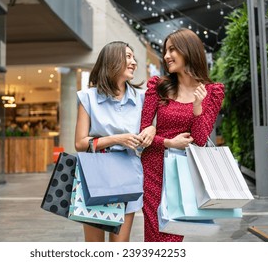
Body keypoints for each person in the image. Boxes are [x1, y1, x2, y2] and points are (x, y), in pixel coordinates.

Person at [139, 28, 225, 242]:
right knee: (154, 233)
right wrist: (168, 142)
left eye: (172, 49)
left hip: (184, 174)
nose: (166, 56)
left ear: (189, 51)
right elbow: (143, 135)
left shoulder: (212, 92)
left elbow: (200, 139)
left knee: (173, 235)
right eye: (165, 50)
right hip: (153, 170)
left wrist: (198, 108)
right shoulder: (158, 87)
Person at [75, 41, 156, 242]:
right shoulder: (88, 98)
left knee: (119, 246)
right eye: (128, 57)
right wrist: (118, 138)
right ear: (112, 61)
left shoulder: (143, 98)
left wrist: (152, 129)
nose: (134, 62)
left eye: (133, 57)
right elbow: (80, 143)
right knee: (95, 246)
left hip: (128, 174)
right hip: (95, 175)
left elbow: (154, 126)